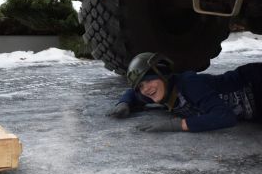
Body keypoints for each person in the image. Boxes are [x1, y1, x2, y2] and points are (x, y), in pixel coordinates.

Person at [107, 52, 262, 132]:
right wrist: (124, 103)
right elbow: (133, 94)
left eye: (149, 80)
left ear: (163, 76)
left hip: (255, 83)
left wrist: (176, 125)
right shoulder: (160, 93)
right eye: (140, 85)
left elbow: (225, 117)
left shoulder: (189, 84)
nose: (146, 89)